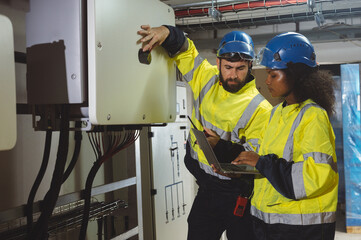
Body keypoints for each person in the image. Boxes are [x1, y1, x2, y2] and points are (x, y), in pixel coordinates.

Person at [138, 25, 272, 240]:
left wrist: (220, 146)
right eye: (228, 67)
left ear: (250, 65)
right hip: (206, 186)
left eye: (240, 68)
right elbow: (185, 51)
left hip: (236, 191)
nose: (233, 75)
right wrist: (168, 33)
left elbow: (255, 160)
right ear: (218, 62)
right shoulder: (207, 78)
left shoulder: (260, 108)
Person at [230, 32, 339, 240]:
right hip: (270, 223)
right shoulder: (276, 113)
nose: (268, 81)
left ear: (296, 74)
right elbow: (267, 159)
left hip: (301, 229)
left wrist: (261, 163)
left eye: (274, 75)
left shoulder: (312, 116)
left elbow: (314, 177)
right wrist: (238, 162)